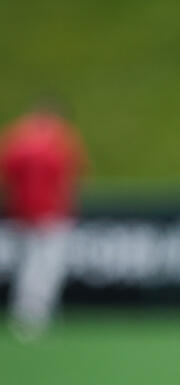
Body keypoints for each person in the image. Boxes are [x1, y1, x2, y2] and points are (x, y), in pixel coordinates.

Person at [0, 103, 88, 340]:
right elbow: (70, 178)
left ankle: (29, 313)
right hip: (50, 214)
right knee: (44, 268)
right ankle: (34, 315)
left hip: (21, 213)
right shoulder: (59, 141)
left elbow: (7, 174)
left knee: (29, 265)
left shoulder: (17, 138)